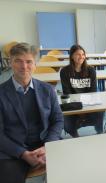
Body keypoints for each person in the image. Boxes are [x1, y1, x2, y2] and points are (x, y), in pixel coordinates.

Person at [0, 42, 64, 183]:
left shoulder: (47, 89)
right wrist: (22, 153)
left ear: (35, 64)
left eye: (29, 61)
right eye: (18, 61)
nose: (24, 67)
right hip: (13, 150)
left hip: (45, 144)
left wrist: (48, 145)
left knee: (73, 170)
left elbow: (58, 120)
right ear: (10, 63)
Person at [60, 44, 104, 137]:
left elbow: (93, 90)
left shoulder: (91, 70)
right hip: (74, 102)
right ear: (72, 56)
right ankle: (75, 136)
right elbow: (67, 92)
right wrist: (79, 106)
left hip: (88, 101)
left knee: (101, 110)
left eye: (83, 54)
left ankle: (99, 132)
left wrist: (85, 105)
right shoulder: (64, 71)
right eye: (78, 54)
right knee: (67, 119)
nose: (81, 57)